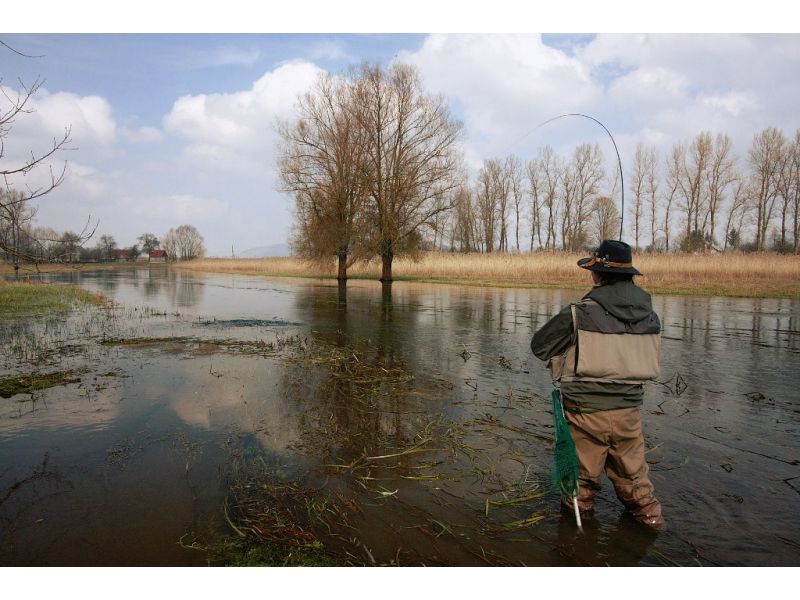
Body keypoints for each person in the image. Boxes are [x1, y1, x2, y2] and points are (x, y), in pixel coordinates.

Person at [531, 239, 665, 531]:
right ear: (630, 275)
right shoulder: (651, 316)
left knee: (579, 486)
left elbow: (539, 346)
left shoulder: (580, 312)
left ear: (599, 275)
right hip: (629, 412)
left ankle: (577, 545)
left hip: (584, 412)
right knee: (636, 485)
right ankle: (652, 527)